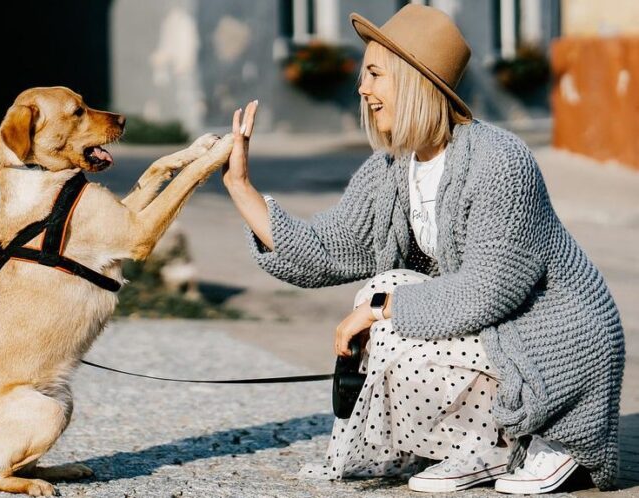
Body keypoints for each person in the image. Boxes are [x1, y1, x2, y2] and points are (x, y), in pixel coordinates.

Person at [221, 4, 624, 495]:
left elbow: (488, 290)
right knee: (383, 289)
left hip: (555, 341)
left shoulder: (499, 161)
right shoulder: (393, 167)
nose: (362, 88)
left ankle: (537, 439)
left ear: (413, 80)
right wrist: (241, 187)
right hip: (496, 333)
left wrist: (378, 312)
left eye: (374, 74)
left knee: (385, 306)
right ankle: (476, 447)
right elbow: (328, 248)